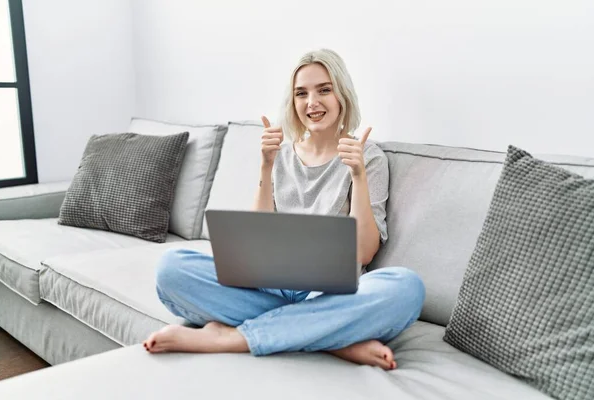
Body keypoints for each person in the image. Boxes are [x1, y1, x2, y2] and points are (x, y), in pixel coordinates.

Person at [143, 49, 425, 370]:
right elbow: (253, 247)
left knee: (406, 288)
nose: (311, 102)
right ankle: (332, 338)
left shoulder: (366, 156)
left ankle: (233, 337)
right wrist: (266, 166)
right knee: (172, 268)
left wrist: (357, 175)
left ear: (342, 94)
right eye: (301, 94)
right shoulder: (283, 154)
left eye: (324, 90)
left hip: (331, 293)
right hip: (270, 284)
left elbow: (363, 253)